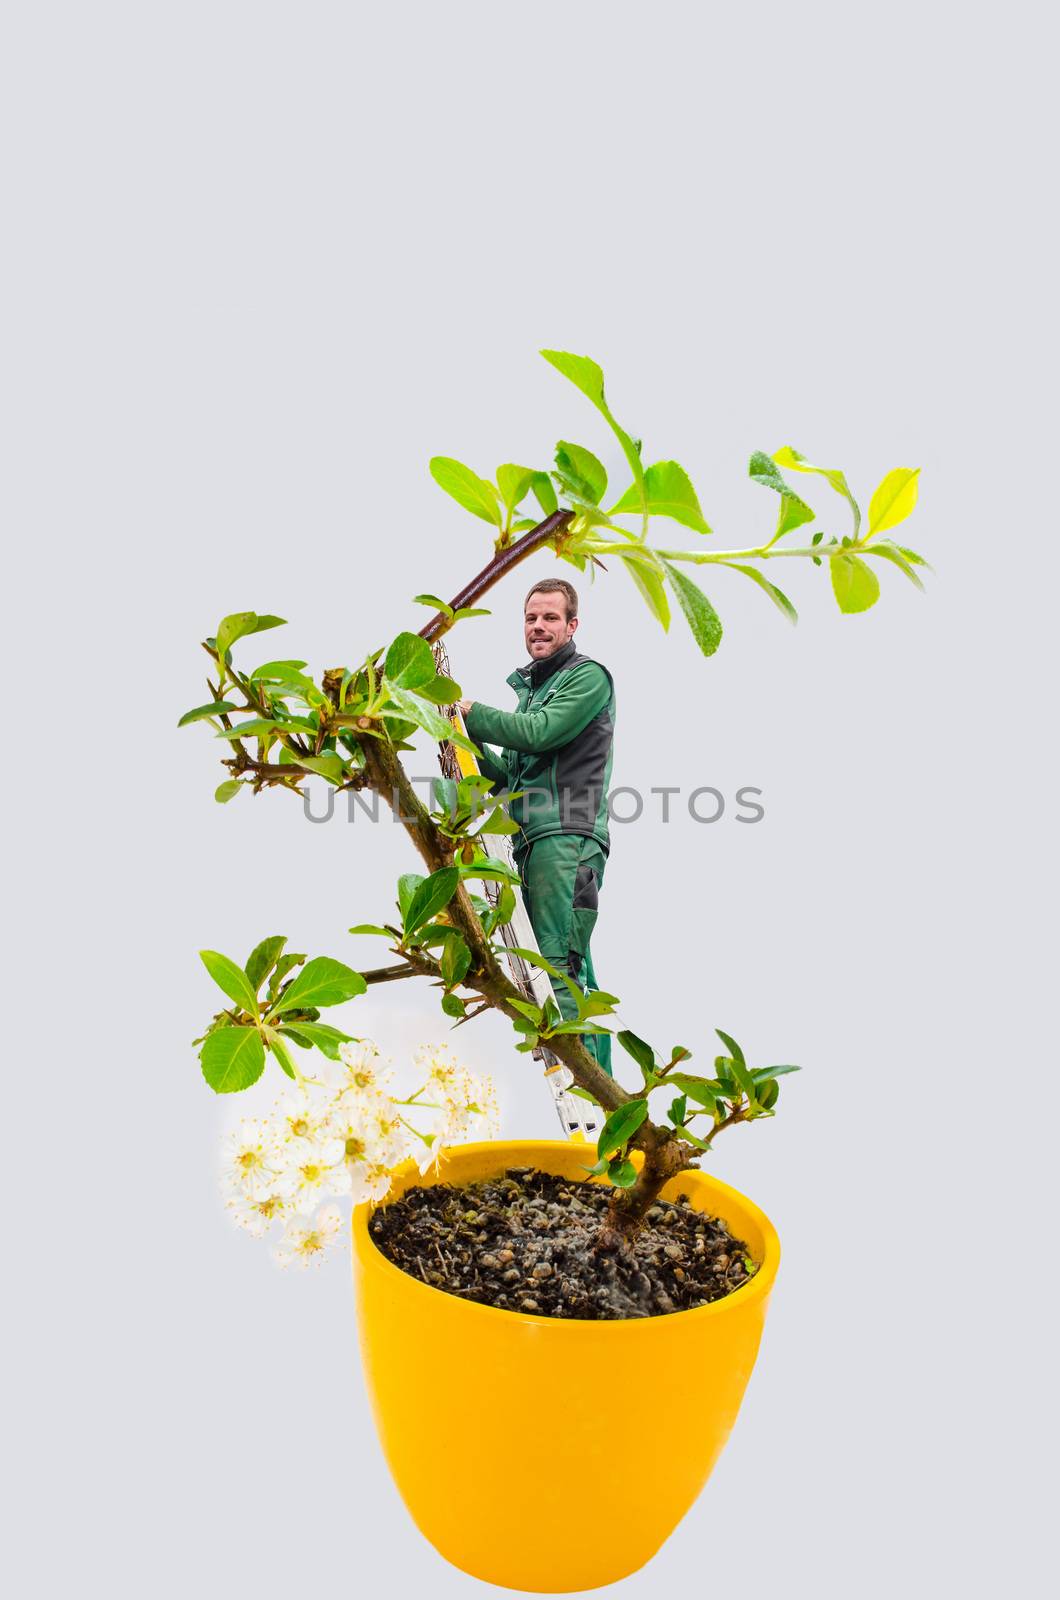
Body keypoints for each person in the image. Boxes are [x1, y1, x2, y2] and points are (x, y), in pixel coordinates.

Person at [458, 579, 616, 1076]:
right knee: (568, 971)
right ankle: (605, 1096)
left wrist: (474, 713)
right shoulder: (534, 692)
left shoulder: (587, 677)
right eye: (531, 619)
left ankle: (588, 1093)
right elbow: (512, 779)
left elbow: (541, 733)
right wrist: (463, 738)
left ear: (572, 625)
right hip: (534, 842)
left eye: (550, 618)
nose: (539, 627)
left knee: (558, 969)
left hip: (566, 839)